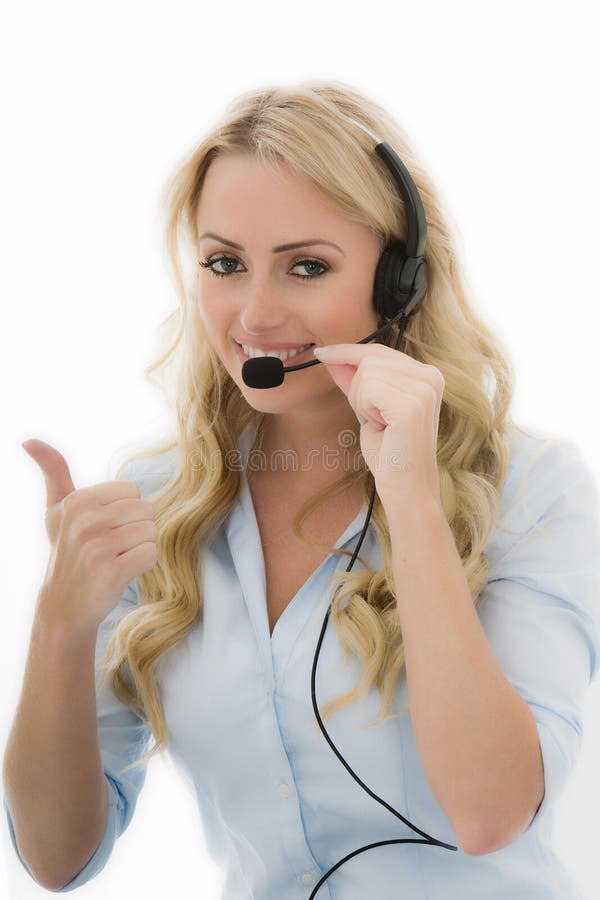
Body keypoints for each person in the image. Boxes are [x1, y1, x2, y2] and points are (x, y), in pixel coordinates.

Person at [3, 79, 600, 898]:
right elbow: (54, 859)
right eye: (224, 264)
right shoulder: (153, 505)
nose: (254, 313)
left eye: (307, 267)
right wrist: (59, 625)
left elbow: (490, 813)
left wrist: (414, 505)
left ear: (400, 282)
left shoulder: (529, 489)